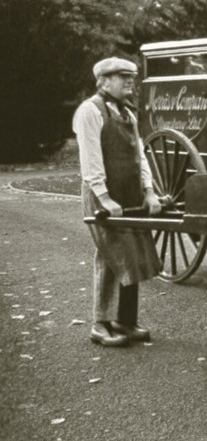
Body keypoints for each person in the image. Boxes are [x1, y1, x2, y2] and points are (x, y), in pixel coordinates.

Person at [72, 57, 162, 347]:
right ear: (103, 81)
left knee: (131, 254)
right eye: (121, 77)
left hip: (131, 194)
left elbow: (140, 155)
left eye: (131, 77)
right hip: (103, 196)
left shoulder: (127, 114)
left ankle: (125, 321)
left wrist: (149, 191)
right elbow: (91, 161)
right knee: (110, 254)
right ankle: (100, 324)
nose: (128, 82)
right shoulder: (90, 111)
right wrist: (105, 197)